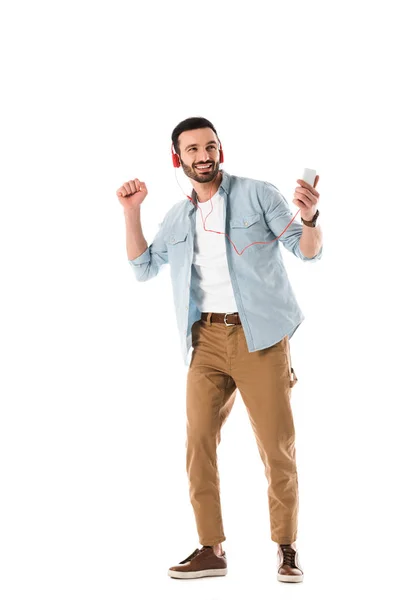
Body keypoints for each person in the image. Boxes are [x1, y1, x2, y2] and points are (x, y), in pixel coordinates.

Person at [117, 117, 323, 583]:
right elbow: (142, 267)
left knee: (276, 446)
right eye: (192, 149)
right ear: (179, 158)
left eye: (209, 146)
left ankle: (286, 548)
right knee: (198, 443)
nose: (203, 155)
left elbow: (306, 251)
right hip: (203, 341)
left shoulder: (258, 194)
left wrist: (310, 218)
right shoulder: (176, 216)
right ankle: (211, 548)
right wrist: (132, 212)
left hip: (262, 339)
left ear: (220, 150)